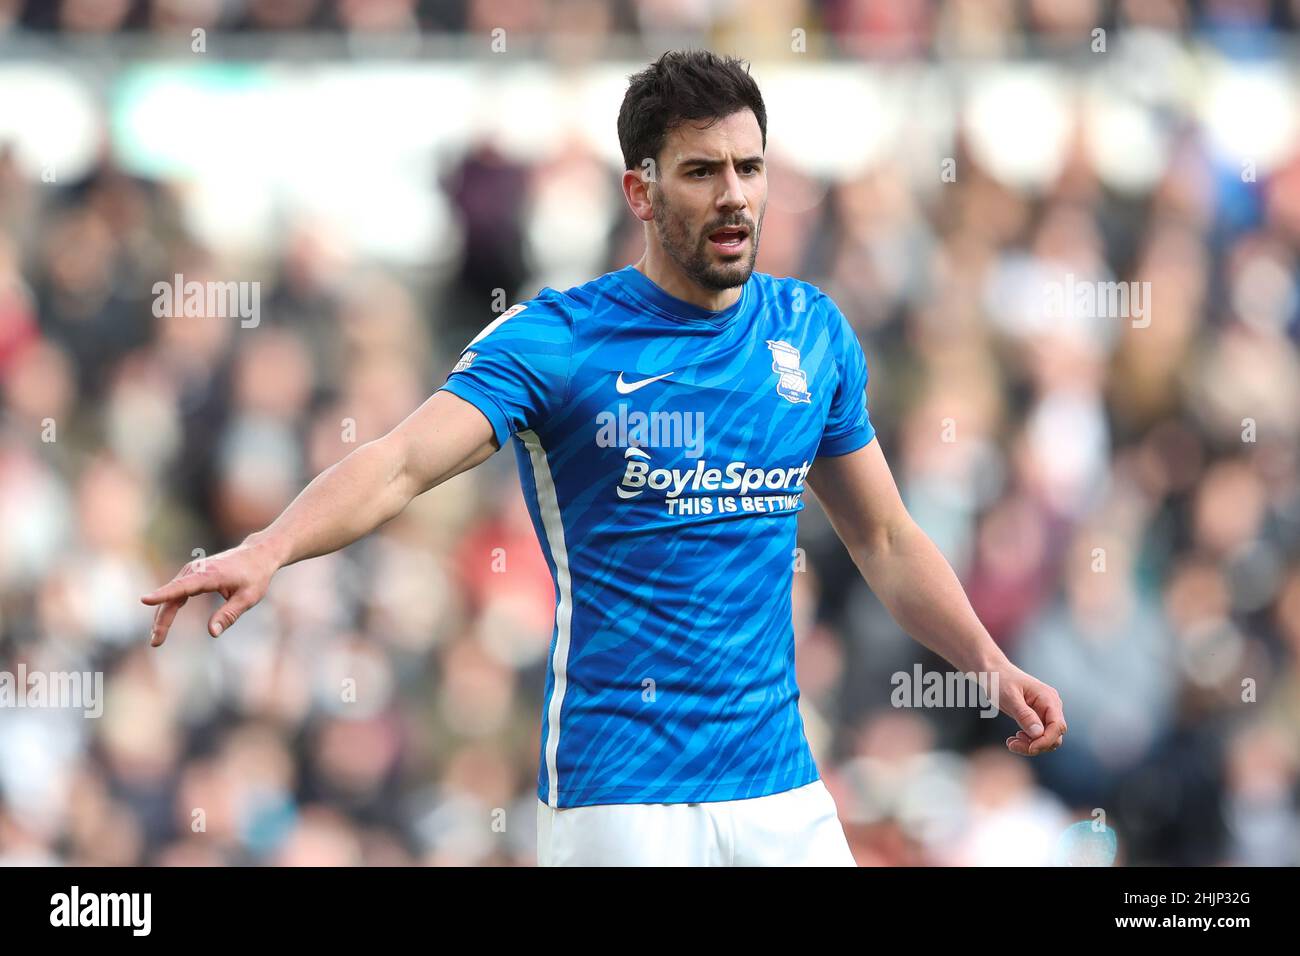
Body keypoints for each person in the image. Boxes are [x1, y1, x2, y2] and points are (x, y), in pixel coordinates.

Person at [143, 49, 1067, 866]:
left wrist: (988, 663)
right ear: (641, 191)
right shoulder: (560, 339)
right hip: (621, 793)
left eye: (750, 168)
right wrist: (269, 546)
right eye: (702, 171)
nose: (735, 194)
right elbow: (399, 464)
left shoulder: (810, 332)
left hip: (779, 785)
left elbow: (888, 542)